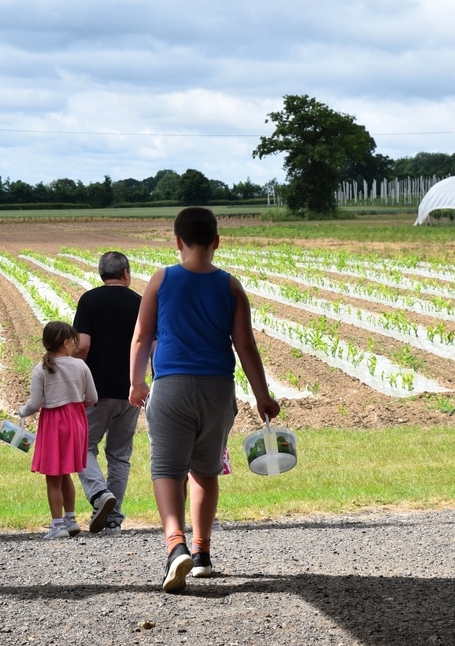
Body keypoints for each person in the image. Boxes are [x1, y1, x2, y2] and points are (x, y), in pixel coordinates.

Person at [129, 206, 281, 593]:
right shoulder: (231, 286)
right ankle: (202, 553)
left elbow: (143, 337)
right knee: (206, 470)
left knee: (166, 468)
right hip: (217, 389)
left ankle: (174, 543)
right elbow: (244, 344)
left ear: (177, 241)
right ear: (216, 241)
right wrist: (262, 395)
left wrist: (136, 383)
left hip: (171, 386)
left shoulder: (161, 279)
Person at [72, 251, 142, 534]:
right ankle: (113, 519)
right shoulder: (140, 302)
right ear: (125, 273)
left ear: (102, 274)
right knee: (120, 455)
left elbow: (83, 346)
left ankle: (100, 495)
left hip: (95, 391)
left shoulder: (90, 300)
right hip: (131, 390)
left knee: (82, 447)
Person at [19, 321, 98, 539]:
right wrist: (77, 407)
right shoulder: (81, 366)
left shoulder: (41, 369)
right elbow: (92, 397)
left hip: (53, 424)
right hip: (76, 422)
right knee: (66, 473)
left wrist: (22, 412)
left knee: (53, 476)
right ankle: (70, 520)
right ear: (65, 343)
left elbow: (34, 404)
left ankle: (57, 525)